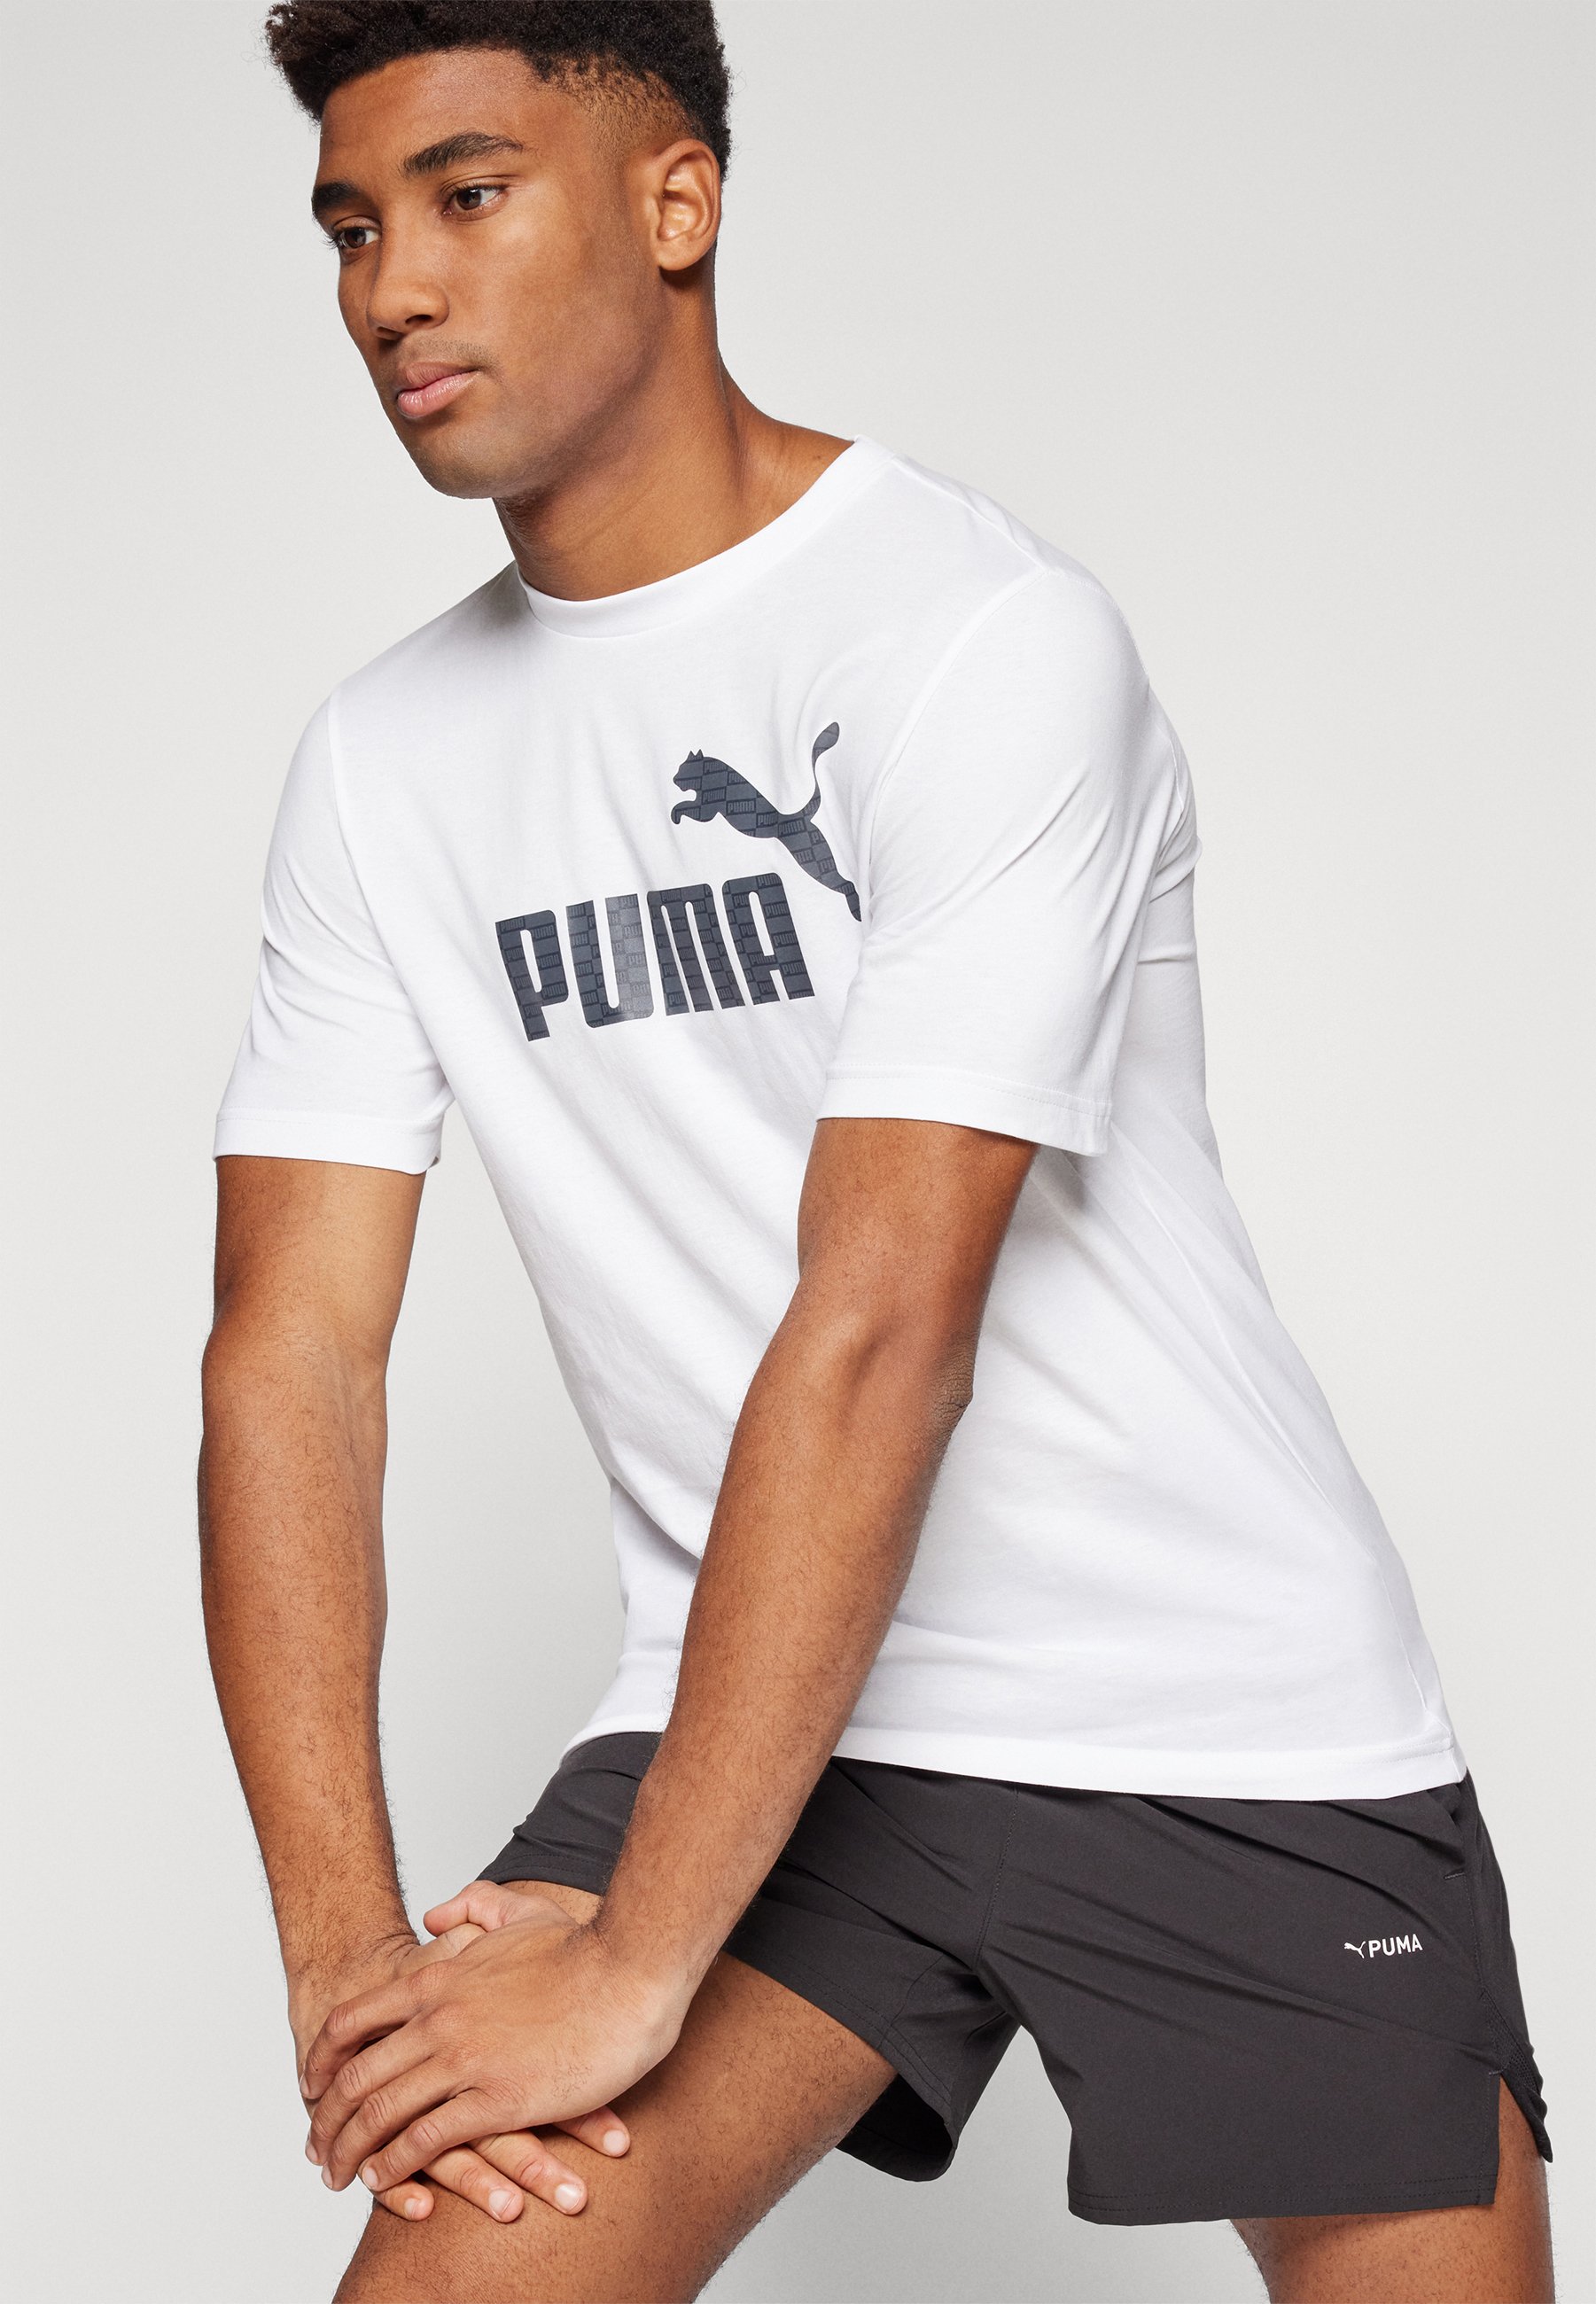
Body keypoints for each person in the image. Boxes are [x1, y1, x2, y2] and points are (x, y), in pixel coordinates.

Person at [199, 4, 1554, 2298]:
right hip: (757, 1721)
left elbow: (883, 1321)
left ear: (676, 203)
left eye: (466, 195)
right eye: (349, 229)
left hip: (1210, 1705)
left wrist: (635, 1964)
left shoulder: (975, 641)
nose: (392, 288)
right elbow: (289, 1365)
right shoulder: (381, 762)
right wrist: (354, 1976)